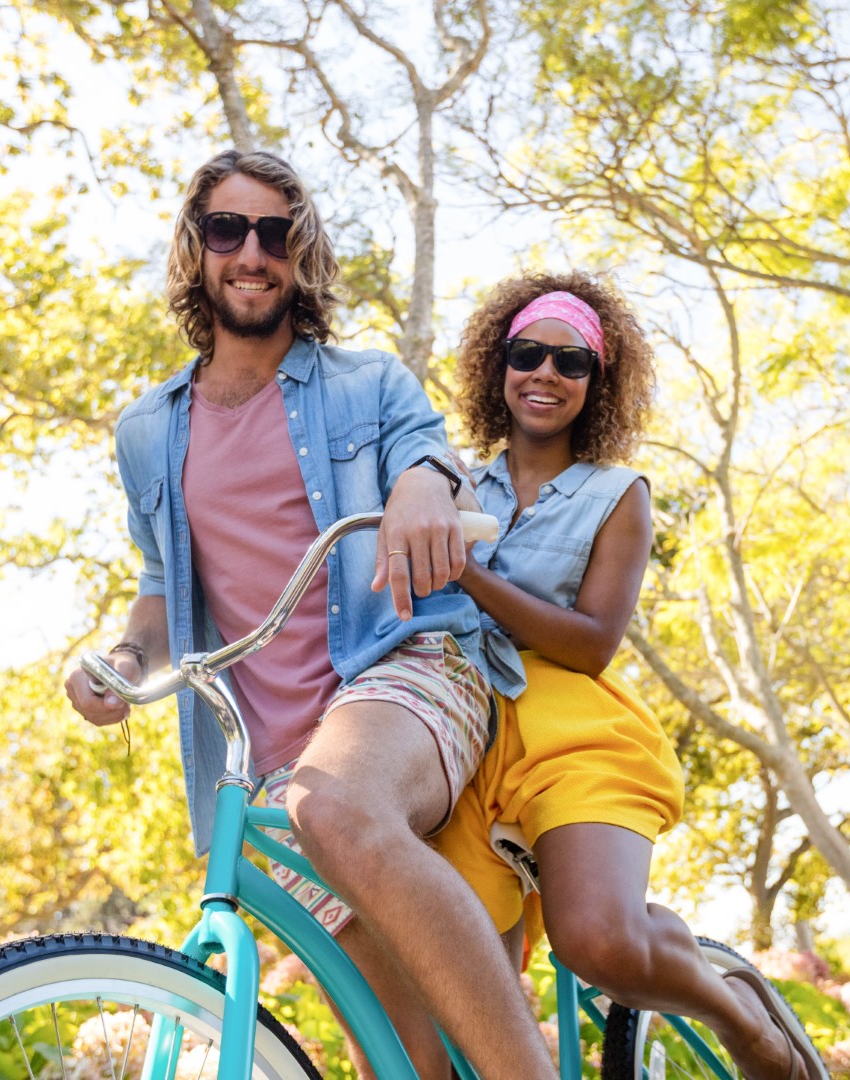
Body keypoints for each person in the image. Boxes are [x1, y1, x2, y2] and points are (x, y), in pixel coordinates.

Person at [62, 149, 556, 1080]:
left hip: (404, 672)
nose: (252, 252)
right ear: (196, 250)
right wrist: (125, 662)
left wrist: (420, 486)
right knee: (401, 1060)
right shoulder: (146, 431)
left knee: (334, 804)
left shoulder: (365, 384)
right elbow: (163, 585)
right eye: (228, 230)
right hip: (265, 756)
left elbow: (426, 455)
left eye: (275, 233)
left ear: (302, 254)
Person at [432, 271, 823, 1079]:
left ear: (596, 382)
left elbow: (592, 643)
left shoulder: (619, 495)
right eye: (528, 353)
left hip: (568, 728)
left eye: (570, 362)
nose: (545, 373)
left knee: (596, 942)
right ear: (498, 366)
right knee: (466, 997)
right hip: (461, 737)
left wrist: (469, 575)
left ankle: (736, 1011)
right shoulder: (450, 480)